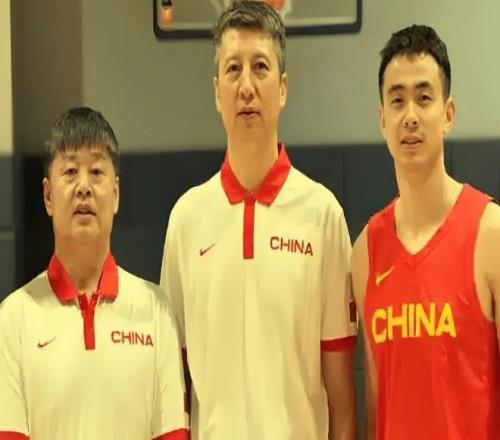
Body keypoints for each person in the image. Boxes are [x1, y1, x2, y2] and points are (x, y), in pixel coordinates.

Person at [160, 2, 357, 439]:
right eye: (233, 69)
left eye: (260, 67)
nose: (246, 86)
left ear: (282, 88)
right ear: (217, 92)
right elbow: (172, 391)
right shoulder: (186, 220)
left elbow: (342, 399)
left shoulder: (322, 216)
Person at [0, 107, 190, 440]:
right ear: (48, 195)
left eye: (97, 171)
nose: (84, 187)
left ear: (115, 194)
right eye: (71, 171)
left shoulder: (156, 311)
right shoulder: (14, 319)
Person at [351, 25, 500, 440]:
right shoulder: (365, 251)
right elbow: (375, 407)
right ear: (382, 119)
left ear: (447, 114)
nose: (410, 116)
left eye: (423, 97)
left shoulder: (490, 233)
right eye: (397, 100)